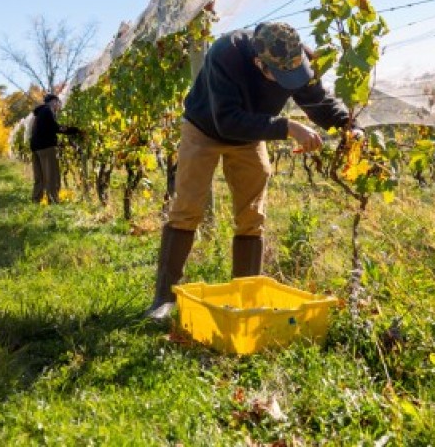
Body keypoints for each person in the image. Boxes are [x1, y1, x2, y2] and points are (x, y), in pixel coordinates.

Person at [145, 21, 354, 321]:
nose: (287, 83)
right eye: (280, 77)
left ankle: (244, 298)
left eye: (294, 76)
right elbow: (226, 121)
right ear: (259, 63)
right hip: (205, 128)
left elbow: (318, 102)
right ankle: (164, 299)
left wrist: (351, 126)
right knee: (188, 207)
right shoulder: (225, 54)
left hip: (251, 133)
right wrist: (287, 127)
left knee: (252, 216)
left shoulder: (295, 60)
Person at [29, 94, 80, 204]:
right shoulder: (48, 111)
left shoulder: (39, 114)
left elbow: (45, 130)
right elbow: (55, 128)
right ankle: (53, 200)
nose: (59, 106)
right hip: (46, 147)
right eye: (58, 103)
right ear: (54, 102)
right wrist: (73, 130)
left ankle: (36, 199)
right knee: (52, 175)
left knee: (40, 177)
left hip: (36, 147)